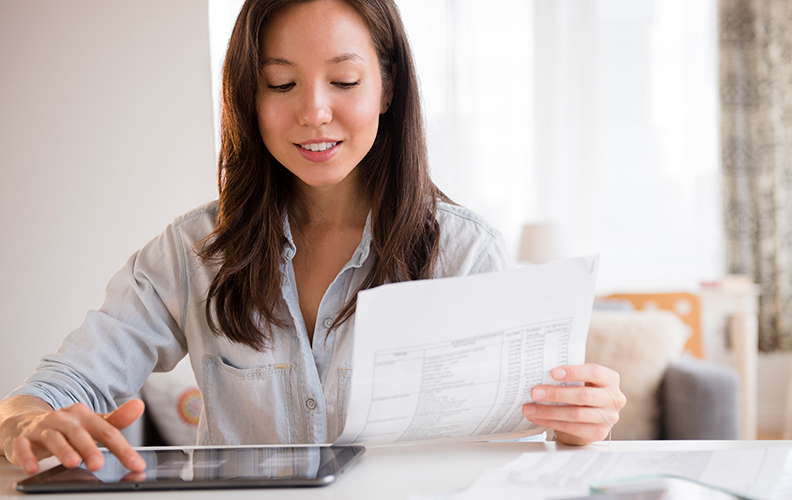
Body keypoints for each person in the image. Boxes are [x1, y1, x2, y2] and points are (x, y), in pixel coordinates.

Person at [0, 0, 625, 475]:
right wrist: (28, 423)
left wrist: (572, 426)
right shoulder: (194, 251)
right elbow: (49, 392)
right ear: (249, 96)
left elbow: (509, 446)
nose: (314, 112)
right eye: (281, 84)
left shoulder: (461, 252)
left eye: (344, 82)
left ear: (387, 88)